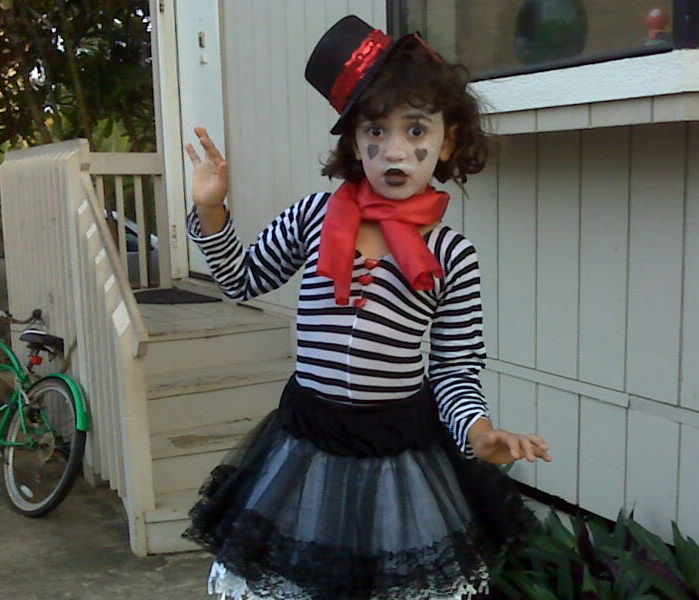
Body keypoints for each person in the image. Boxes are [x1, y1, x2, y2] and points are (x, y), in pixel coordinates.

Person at [182, 15, 552, 600]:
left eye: (415, 130)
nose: (394, 150)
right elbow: (242, 277)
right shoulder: (313, 217)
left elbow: (454, 369)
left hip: (398, 455)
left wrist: (479, 434)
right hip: (305, 444)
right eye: (375, 132)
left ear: (448, 140)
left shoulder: (450, 254)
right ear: (354, 143)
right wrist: (211, 209)